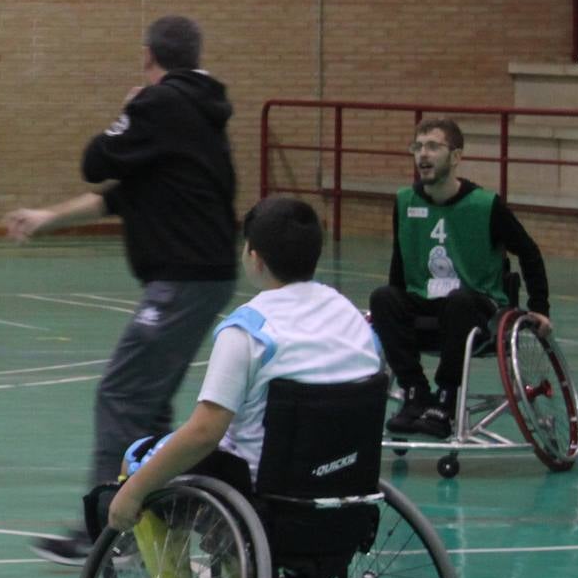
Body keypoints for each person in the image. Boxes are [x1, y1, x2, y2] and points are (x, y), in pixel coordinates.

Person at [5, 14, 239, 565]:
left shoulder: (159, 106)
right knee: (150, 404)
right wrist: (47, 219)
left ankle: (106, 529)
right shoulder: (201, 115)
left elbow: (95, 162)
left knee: (122, 393)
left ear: (147, 55)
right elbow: (120, 194)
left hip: (184, 279)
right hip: (202, 275)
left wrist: (131, 107)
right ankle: (163, 515)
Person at [102, 196, 382, 536]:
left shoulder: (248, 330)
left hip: (264, 490)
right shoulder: (354, 319)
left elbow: (204, 433)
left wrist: (132, 492)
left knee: (137, 460)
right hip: (344, 482)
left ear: (254, 257)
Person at [371, 117, 551, 437]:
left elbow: (529, 252)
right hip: (425, 305)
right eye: (418, 147)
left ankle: (446, 397)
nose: (423, 155)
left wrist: (539, 307)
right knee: (383, 297)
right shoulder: (404, 201)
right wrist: (392, 310)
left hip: (478, 310)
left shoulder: (485, 205)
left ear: (455, 157)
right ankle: (415, 393)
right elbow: (400, 264)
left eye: (433, 147)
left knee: (459, 301)